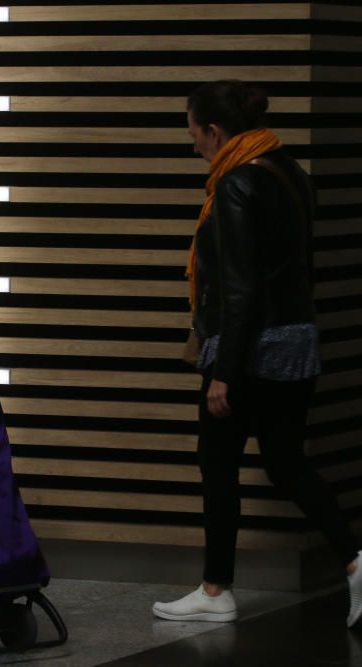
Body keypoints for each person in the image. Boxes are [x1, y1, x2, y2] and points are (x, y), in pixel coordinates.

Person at [152, 79, 362, 626]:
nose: (194, 144)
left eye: (195, 134)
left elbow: (242, 288)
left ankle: (216, 591)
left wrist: (224, 374)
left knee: (217, 464)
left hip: (249, 352)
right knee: (286, 460)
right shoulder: (287, 170)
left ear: (216, 132)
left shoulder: (235, 185)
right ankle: (356, 562)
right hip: (295, 343)